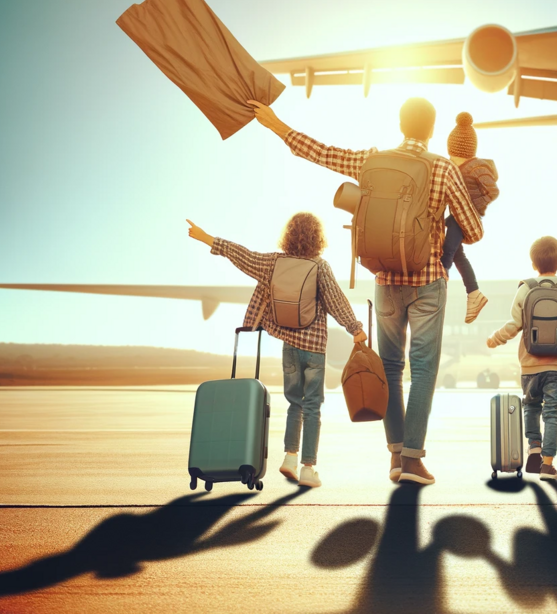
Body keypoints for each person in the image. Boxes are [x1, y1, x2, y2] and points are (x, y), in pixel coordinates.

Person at [248, 97, 483, 486]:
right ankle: (413, 459)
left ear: (401, 124)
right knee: (423, 370)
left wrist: (275, 123)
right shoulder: (442, 167)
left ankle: (395, 456)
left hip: (385, 281)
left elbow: (320, 153)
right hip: (427, 281)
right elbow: (473, 231)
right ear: (431, 129)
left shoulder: (372, 161)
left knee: (390, 367)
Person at [186, 213, 366, 489]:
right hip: (315, 348)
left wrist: (207, 238)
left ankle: (290, 458)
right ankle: (308, 468)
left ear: (289, 235)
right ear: (318, 238)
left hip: (289, 346)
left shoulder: (272, 262)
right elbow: (336, 302)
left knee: (295, 403)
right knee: (312, 406)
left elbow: (241, 255)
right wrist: (355, 329)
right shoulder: (320, 267)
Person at [485, 236, 557, 480]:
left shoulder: (526, 288)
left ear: (533, 263)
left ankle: (534, 447)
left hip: (529, 365)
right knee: (552, 411)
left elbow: (515, 324)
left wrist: (495, 338)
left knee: (530, 406)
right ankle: (548, 464)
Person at [442, 112, 500, 324]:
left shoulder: (476, 167)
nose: (450, 160)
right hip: (457, 216)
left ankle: (439, 288)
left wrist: (472, 207)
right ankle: (474, 293)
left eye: (452, 156)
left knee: (447, 253)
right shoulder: (460, 168)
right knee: (458, 254)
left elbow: (492, 191)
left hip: (466, 216)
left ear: (463, 152)